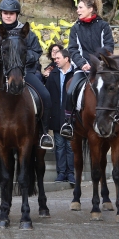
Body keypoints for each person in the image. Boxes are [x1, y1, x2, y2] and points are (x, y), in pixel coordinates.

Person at [0, 0, 53, 151]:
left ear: (17, 15)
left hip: (23, 72)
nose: (8, 16)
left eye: (11, 13)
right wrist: (0, 58)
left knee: (46, 95)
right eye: (5, 13)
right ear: (1, 14)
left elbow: (36, 51)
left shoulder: (27, 33)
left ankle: (44, 134)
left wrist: (19, 59)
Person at [61, 0, 114, 139]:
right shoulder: (75, 28)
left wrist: (97, 62)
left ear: (91, 9)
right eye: (78, 8)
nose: (77, 10)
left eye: (80, 7)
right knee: (71, 91)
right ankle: (68, 123)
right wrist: (82, 64)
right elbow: (73, 49)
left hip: (102, 67)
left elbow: (108, 46)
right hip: (82, 69)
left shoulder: (104, 26)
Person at [43, 44, 76, 184]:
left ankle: (71, 173)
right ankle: (61, 173)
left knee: (70, 146)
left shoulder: (76, 74)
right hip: (57, 116)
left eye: (58, 58)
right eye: (55, 58)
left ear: (66, 59)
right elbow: (48, 94)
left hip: (71, 117)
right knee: (60, 146)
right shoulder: (53, 74)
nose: (55, 60)